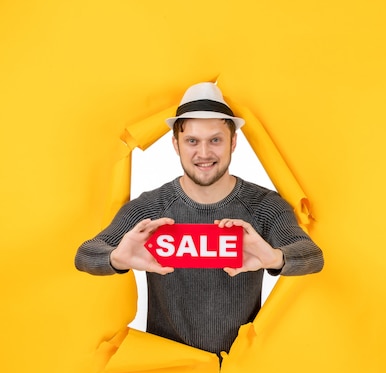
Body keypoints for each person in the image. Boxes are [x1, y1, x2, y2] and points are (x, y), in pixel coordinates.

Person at [75, 82, 324, 356]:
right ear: (175, 144)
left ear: (233, 142)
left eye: (215, 140)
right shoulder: (150, 208)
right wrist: (116, 260)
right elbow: (86, 254)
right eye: (192, 141)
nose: (204, 153)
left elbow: (311, 255)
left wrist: (275, 258)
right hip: (169, 369)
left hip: (240, 371)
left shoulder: (264, 205)